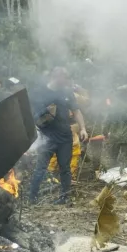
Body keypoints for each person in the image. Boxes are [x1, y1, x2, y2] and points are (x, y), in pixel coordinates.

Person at [28, 67, 87, 205]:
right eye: (65, 78)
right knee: (41, 167)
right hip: (46, 137)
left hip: (65, 137)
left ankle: (64, 197)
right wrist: (46, 113)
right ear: (56, 77)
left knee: (65, 168)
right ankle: (32, 198)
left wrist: (83, 128)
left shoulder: (67, 92)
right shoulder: (41, 92)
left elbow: (76, 111)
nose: (67, 81)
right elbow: (33, 115)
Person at [101, 85, 127, 171]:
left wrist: (105, 133)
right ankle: (124, 175)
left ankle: (112, 175)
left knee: (113, 157)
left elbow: (107, 121)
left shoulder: (113, 107)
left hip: (114, 137)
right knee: (126, 158)